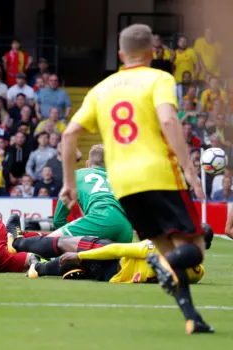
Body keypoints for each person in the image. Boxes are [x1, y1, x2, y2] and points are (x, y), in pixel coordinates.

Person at [59, 24, 212, 334]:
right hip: (159, 175)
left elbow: (70, 133)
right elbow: (168, 119)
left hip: (123, 184)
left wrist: (68, 183)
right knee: (195, 247)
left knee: (168, 253)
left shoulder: (101, 88)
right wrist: (189, 169)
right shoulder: (159, 78)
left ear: (120, 55)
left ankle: (191, 317)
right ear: (153, 53)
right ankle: (164, 271)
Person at [22, 223, 212, 285]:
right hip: (113, 271)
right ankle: (37, 263)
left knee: (71, 248)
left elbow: (118, 249)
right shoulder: (197, 272)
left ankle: (31, 258)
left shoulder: (159, 249)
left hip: (111, 266)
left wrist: (81, 256)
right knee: (78, 259)